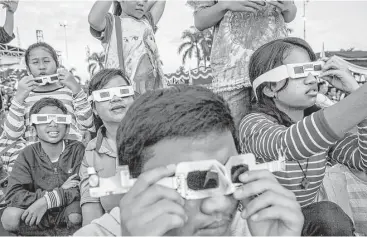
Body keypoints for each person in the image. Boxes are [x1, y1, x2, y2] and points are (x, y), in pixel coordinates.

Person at [74, 85, 304, 236]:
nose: (219, 204)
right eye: (194, 182)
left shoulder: (254, 228)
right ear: (134, 185)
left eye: (235, 174)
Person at [239, 37, 367, 235]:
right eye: (299, 72)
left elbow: (363, 161)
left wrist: (355, 92)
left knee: (327, 216)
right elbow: (288, 144)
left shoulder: (317, 129)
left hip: (306, 223)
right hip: (264, 227)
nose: (312, 79)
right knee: (328, 216)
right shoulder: (253, 125)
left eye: (313, 70)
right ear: (268, 88)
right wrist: (361, 100)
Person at [187, 0, 297, 126]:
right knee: (235, 134)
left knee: (278, 132)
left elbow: (290, 14)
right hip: (231, 73)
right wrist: (225, 4)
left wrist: (287, 6)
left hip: (273, 66)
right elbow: (200, 21)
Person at [1, 98, 85, 235]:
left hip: (67, 211)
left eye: (58, 119)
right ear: (33, 129)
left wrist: (48, 201)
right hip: (39, 214)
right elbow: (13, 194)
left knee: (75, 215)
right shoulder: (27, 154)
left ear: (67, 127)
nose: (53, 124)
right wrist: (45, 199)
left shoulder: (77, 149)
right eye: (44, 120)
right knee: (9, 217)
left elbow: (80, 187)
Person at [3, 42, 94, 143]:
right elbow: (12, 134)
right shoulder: (24, 97)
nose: (42, 66)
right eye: (35, 62)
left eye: (47, 61)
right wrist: (18, 99)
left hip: (70, 156)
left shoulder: (70, 92)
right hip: (36, 157)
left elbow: (87, 123)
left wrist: (77, 89)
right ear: (28, 68)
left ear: (57, 64)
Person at [79, 69, 135, 226]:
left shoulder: (156, 138)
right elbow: (91, 208)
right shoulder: (91, 152)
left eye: (123, 92)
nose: (116, 98)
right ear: (95, 109)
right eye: (104, 95)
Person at [88, 0, 166, 94]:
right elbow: (93, 20)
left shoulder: (147, 21)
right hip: (125, 94)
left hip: (154, 94)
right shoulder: (112, 23)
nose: (141, 3)